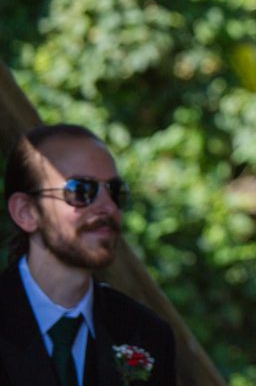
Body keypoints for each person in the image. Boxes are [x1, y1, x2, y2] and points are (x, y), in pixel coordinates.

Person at [1, 124, 176, 386]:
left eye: (115, 191)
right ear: (25, 212)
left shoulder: (146, 334)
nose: (107, 207)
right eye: (81, 190)